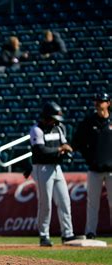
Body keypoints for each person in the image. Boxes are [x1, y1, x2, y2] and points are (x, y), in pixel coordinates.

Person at [29, 102, 78, 247]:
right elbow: (40, 151)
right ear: (46, 117)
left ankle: (67, 234)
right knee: (46, 204)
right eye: (52, 118)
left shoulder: (59, 128)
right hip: (42, 168)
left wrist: (65, 149)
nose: (54, 121)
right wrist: (60, 149)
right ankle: (44, 235)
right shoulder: (36, 129)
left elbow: (65, 145)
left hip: (57, 167)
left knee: (64, 201)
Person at [72, 92, 112, 239]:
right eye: (96, 101)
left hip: (111, 170)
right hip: (94, 169)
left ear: (108, 103)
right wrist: (88, 158)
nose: (98, 103)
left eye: (101, 100)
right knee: (92, 203)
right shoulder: (89, 122)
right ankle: (90, 232)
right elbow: (78, 142)